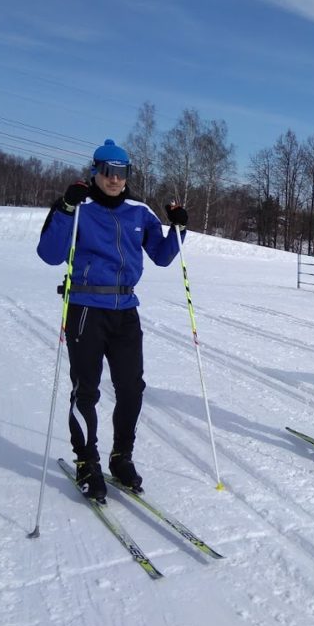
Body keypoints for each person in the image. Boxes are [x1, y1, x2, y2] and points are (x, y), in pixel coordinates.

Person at [37, 139, 188, 501]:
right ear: (95, 171)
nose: (115, 179)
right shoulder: (79, 207)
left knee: (132, 387)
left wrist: (179, 229)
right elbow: (49, 254)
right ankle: (87, 461)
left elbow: (164, 256)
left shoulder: (139, 211)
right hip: (86, 307)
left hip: (126, 311)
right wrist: (64, 208)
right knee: (86, 389)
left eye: (121, 173)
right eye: (108, 171)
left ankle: (121, 456)